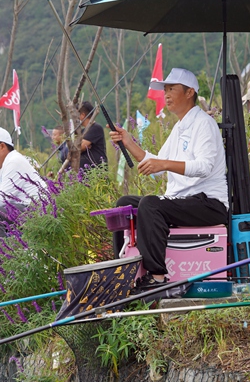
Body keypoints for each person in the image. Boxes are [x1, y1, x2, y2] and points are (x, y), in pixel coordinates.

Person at [110, 68, 228, 290]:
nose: (167, 95)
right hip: (182, 200)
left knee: (150, 204)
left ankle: (157, 278)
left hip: (209, 202)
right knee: (124, 204)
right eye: (165, 90)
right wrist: (128, 142)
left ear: (190, 92)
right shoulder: (179, 126)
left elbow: (204, 167)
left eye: (172, 89)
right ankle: (122, 269)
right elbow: (155, 164)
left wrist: (163, 164)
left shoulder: (204, 124)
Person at [77, 101, 107, 169]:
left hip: (96, 172)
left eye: (76, 114)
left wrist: (81, 144)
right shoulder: (82, 131)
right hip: (84, 174)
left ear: (82, 115)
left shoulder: (95, 128)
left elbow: (80, 147)